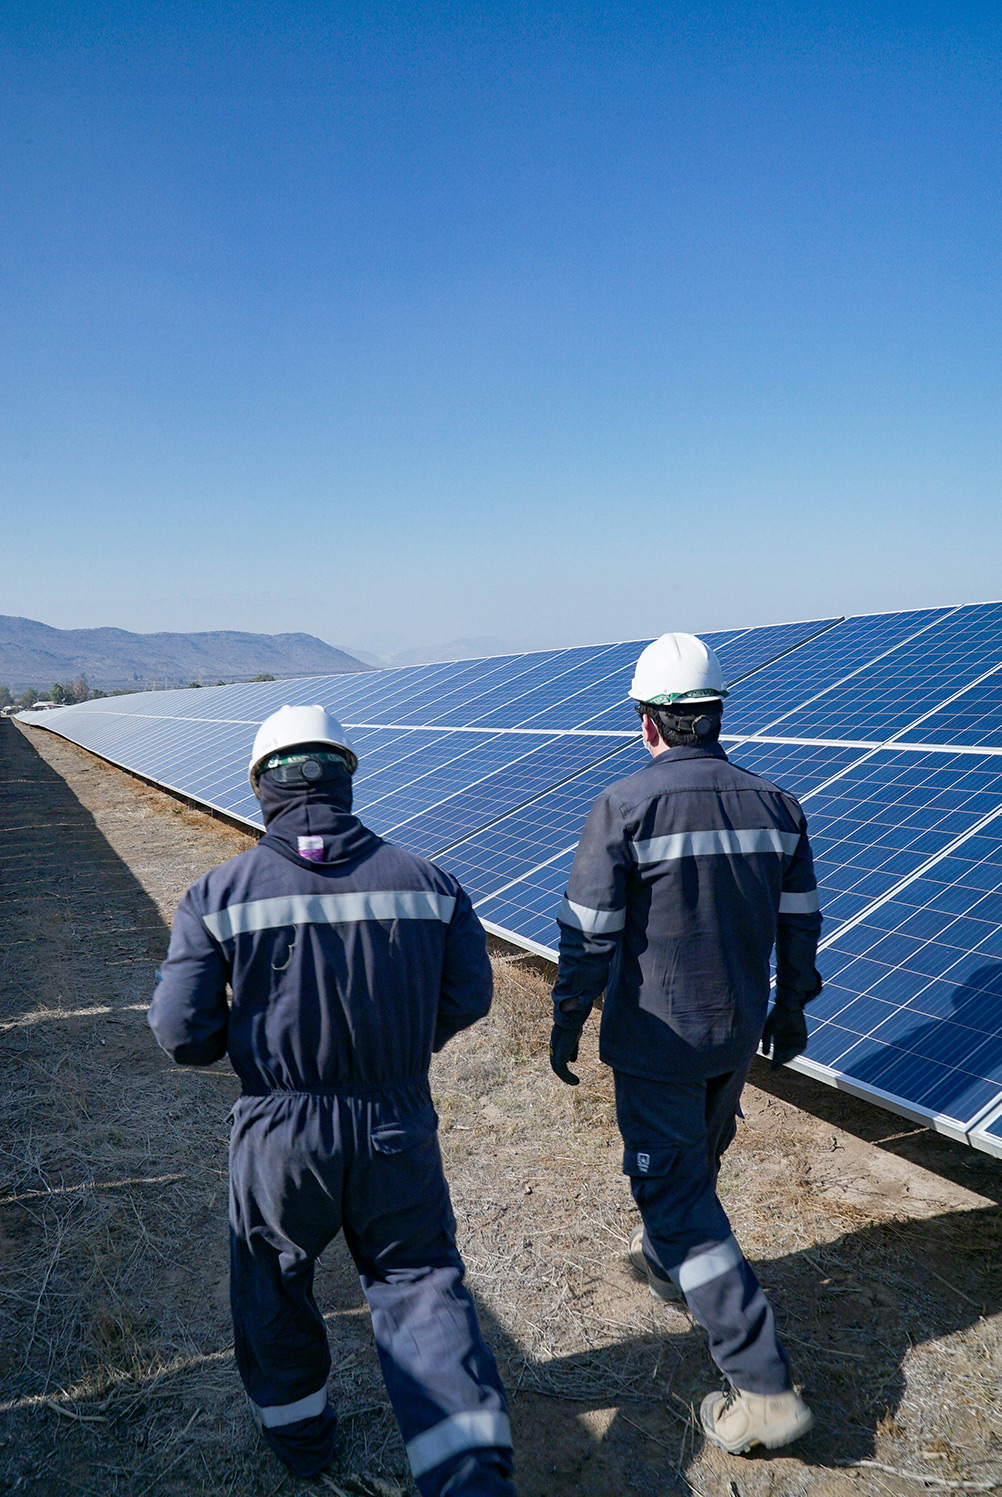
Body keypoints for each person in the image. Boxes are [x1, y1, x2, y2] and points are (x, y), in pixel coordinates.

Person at [149, 705, 515, 1495]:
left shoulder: (217, 894)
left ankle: (302, 1441)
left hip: (279, 1131)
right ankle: (469, 1475)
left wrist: (251, 1049)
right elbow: (469, 995)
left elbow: (180, 1032)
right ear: (346, 776)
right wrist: (402, 1047)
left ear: (261, 786)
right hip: (396, 1121)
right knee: (420, 1284)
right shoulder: (430, 882)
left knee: (273, 1279)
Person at [548, 633, 821, 1456]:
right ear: (716, 716)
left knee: (674, 1193)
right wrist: (791, 1006)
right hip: (734, 1031)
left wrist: (568, 1016)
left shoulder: (624, 806)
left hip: (657, 1039)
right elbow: (801, 921)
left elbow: (589, 932)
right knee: (694, 1162)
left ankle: (764, 1388)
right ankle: (671, 1263)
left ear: (648, 722)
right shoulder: (778, 805)